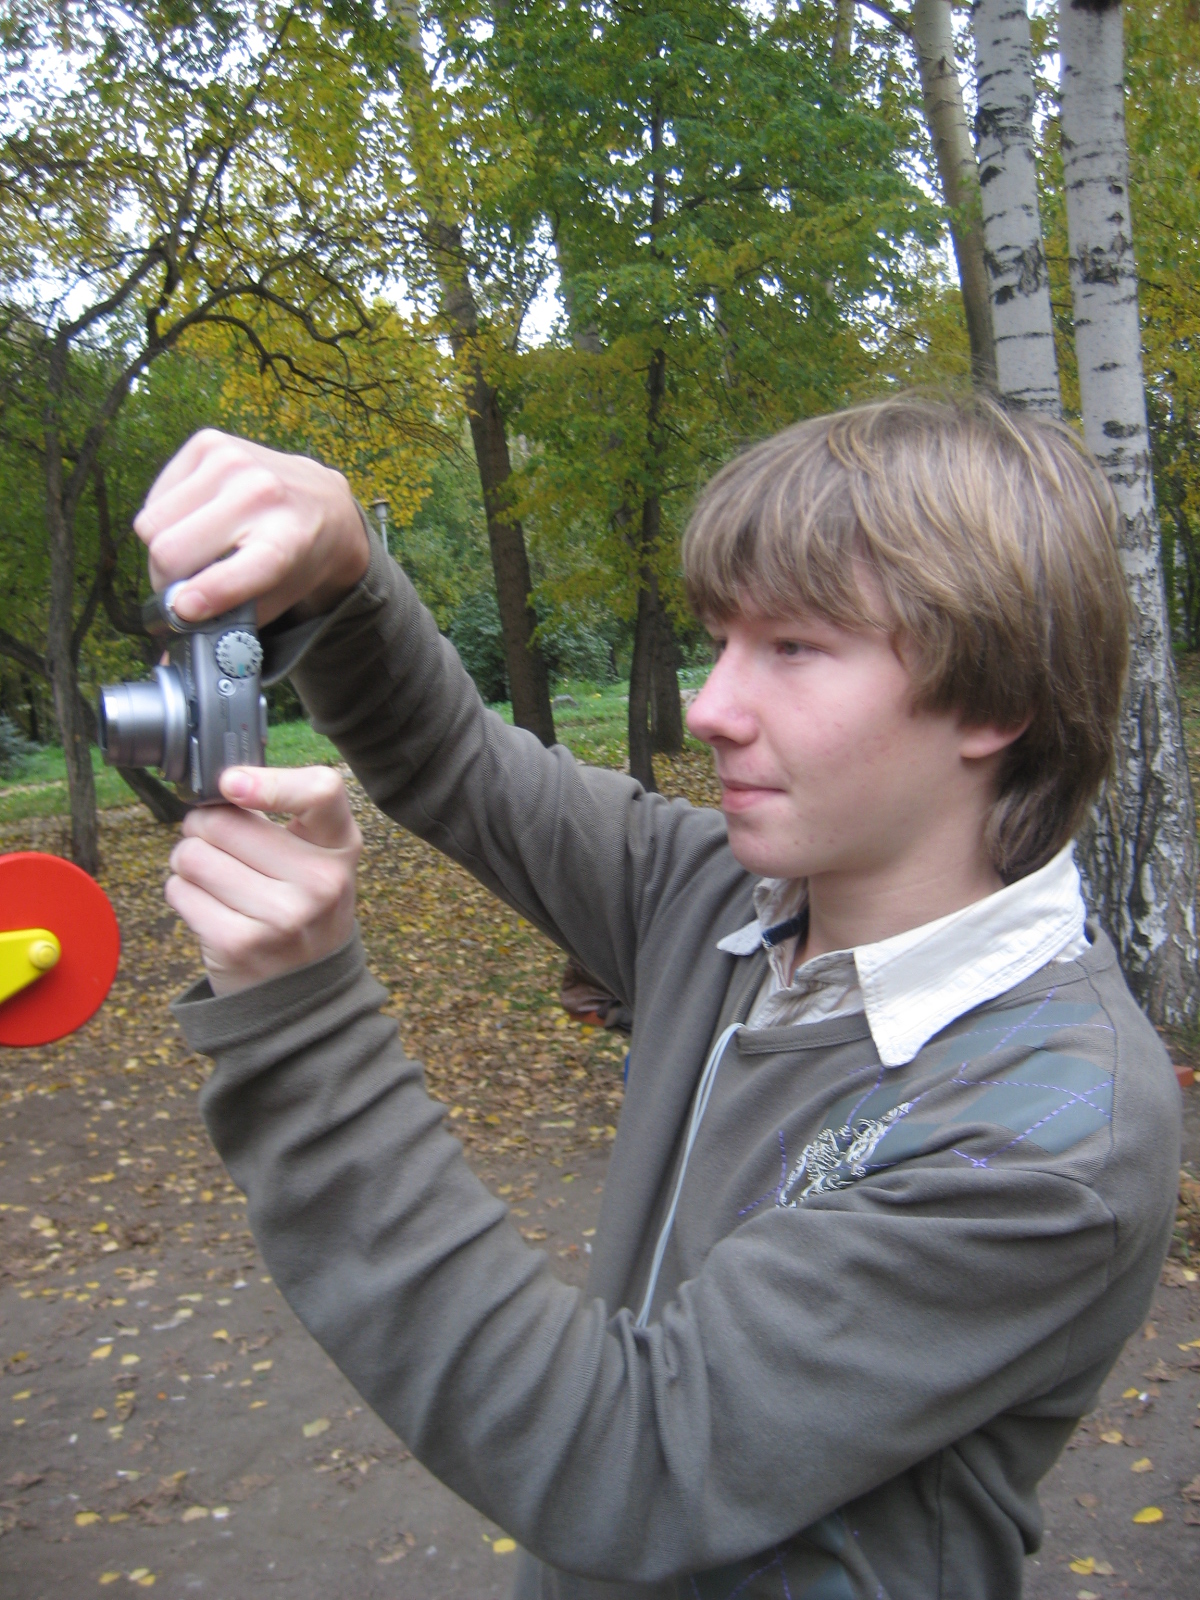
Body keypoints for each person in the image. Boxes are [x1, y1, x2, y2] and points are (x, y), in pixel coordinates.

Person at [142, 394, 1181, 1600]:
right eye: (722, 639)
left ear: (995, 700)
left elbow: (630, 1461)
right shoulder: (718, 898)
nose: (709, 707)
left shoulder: (1052, 1129)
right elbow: (454, 761)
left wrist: (303, 1028)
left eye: (794, 647)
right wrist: (342, 568)